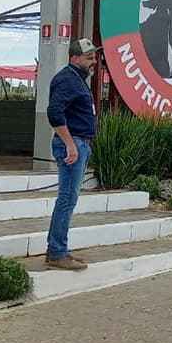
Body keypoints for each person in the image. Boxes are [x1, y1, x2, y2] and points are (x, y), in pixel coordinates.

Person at [45, 37, 102, 270]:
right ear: (74, 58)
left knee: (70, 198)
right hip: (73, 143)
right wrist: (69, 144)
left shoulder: (77, 79)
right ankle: (57, 252)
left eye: (94, 57)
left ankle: (58, 249)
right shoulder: (67, 80)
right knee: (67, 198)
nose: (94, 62)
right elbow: (55, 112)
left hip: (80, 143)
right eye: (89, 58)